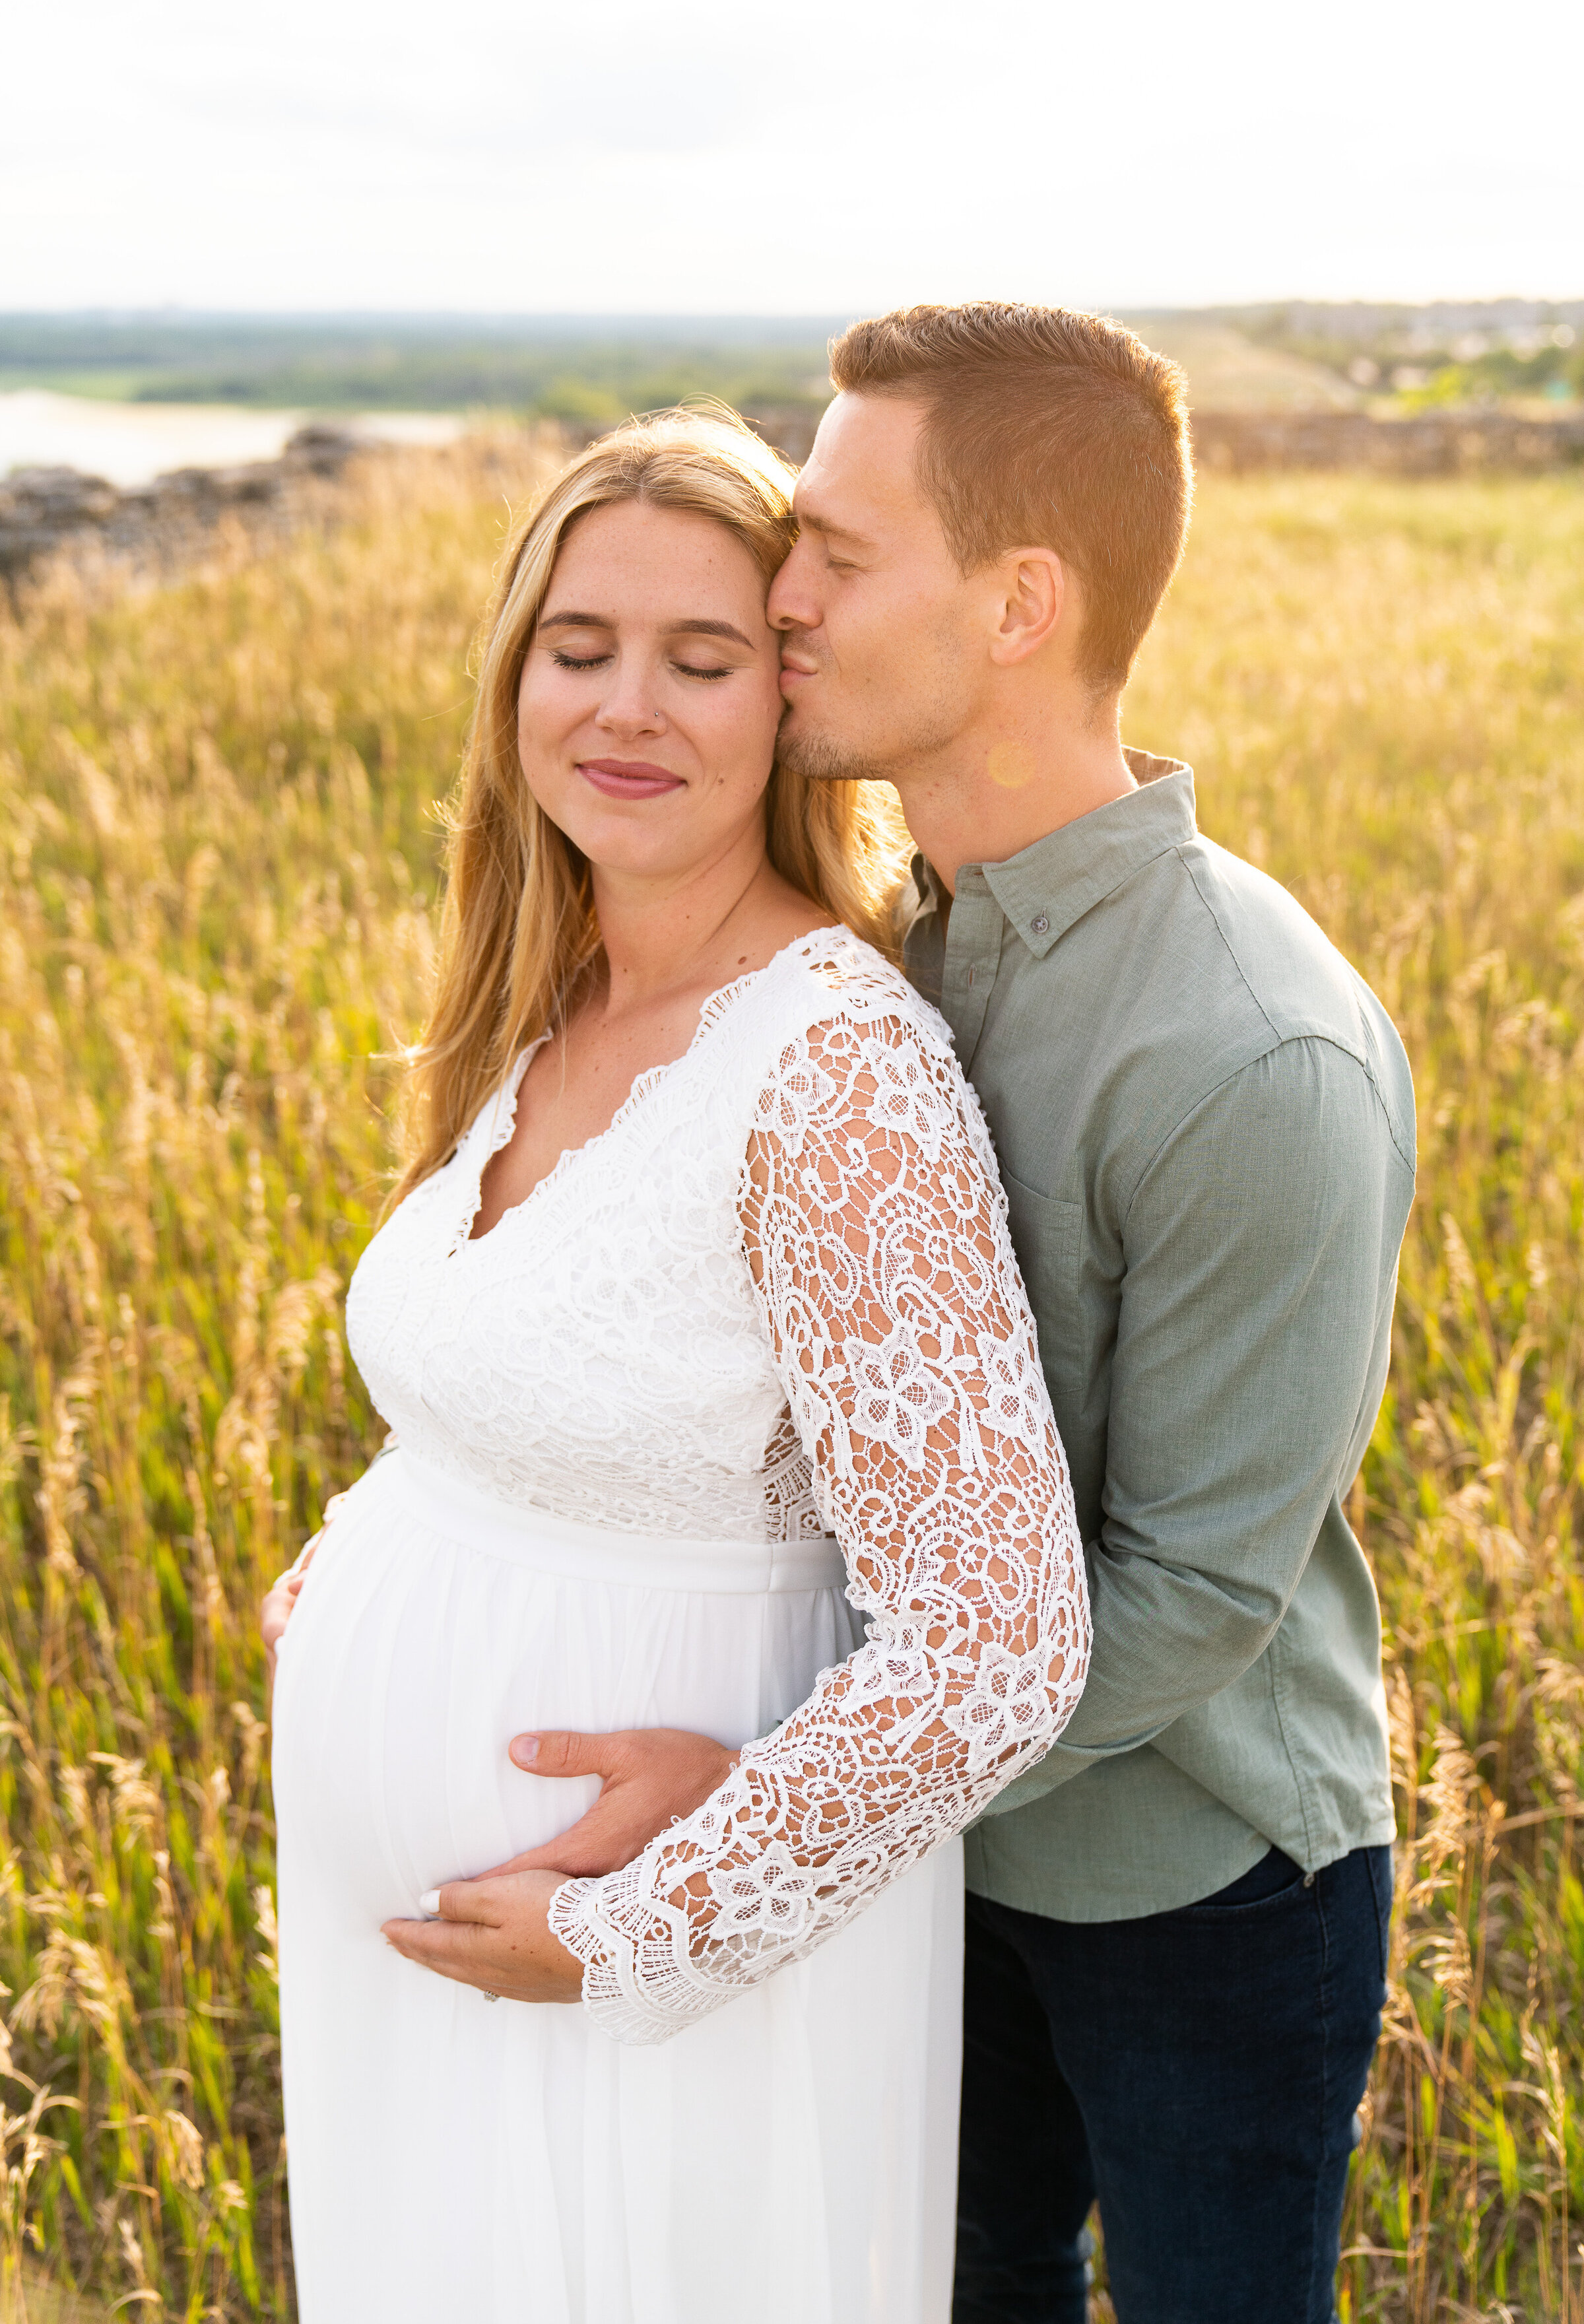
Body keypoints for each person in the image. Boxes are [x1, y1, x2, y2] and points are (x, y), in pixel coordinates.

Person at [456, 306, 1415, 2324]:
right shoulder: (877, 948)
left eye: (837, 554)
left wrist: (763, 1790)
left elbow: (1195, 1593)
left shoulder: (1253, 1053)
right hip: (911, 1862)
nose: (782, 600)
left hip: (1197, 1877)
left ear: (1017, 603)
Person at [264, 409, 1090, 2324]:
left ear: (788, 703)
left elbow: (999, 1640)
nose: (628, 707)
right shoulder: (559, 989)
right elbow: (541, 1376)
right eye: (581, 647)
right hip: (439, 1989)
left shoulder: (836, 1075)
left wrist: (647, 1929)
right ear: (512, 677)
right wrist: (372, 1548)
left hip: (656, 2005)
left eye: (702, 660)